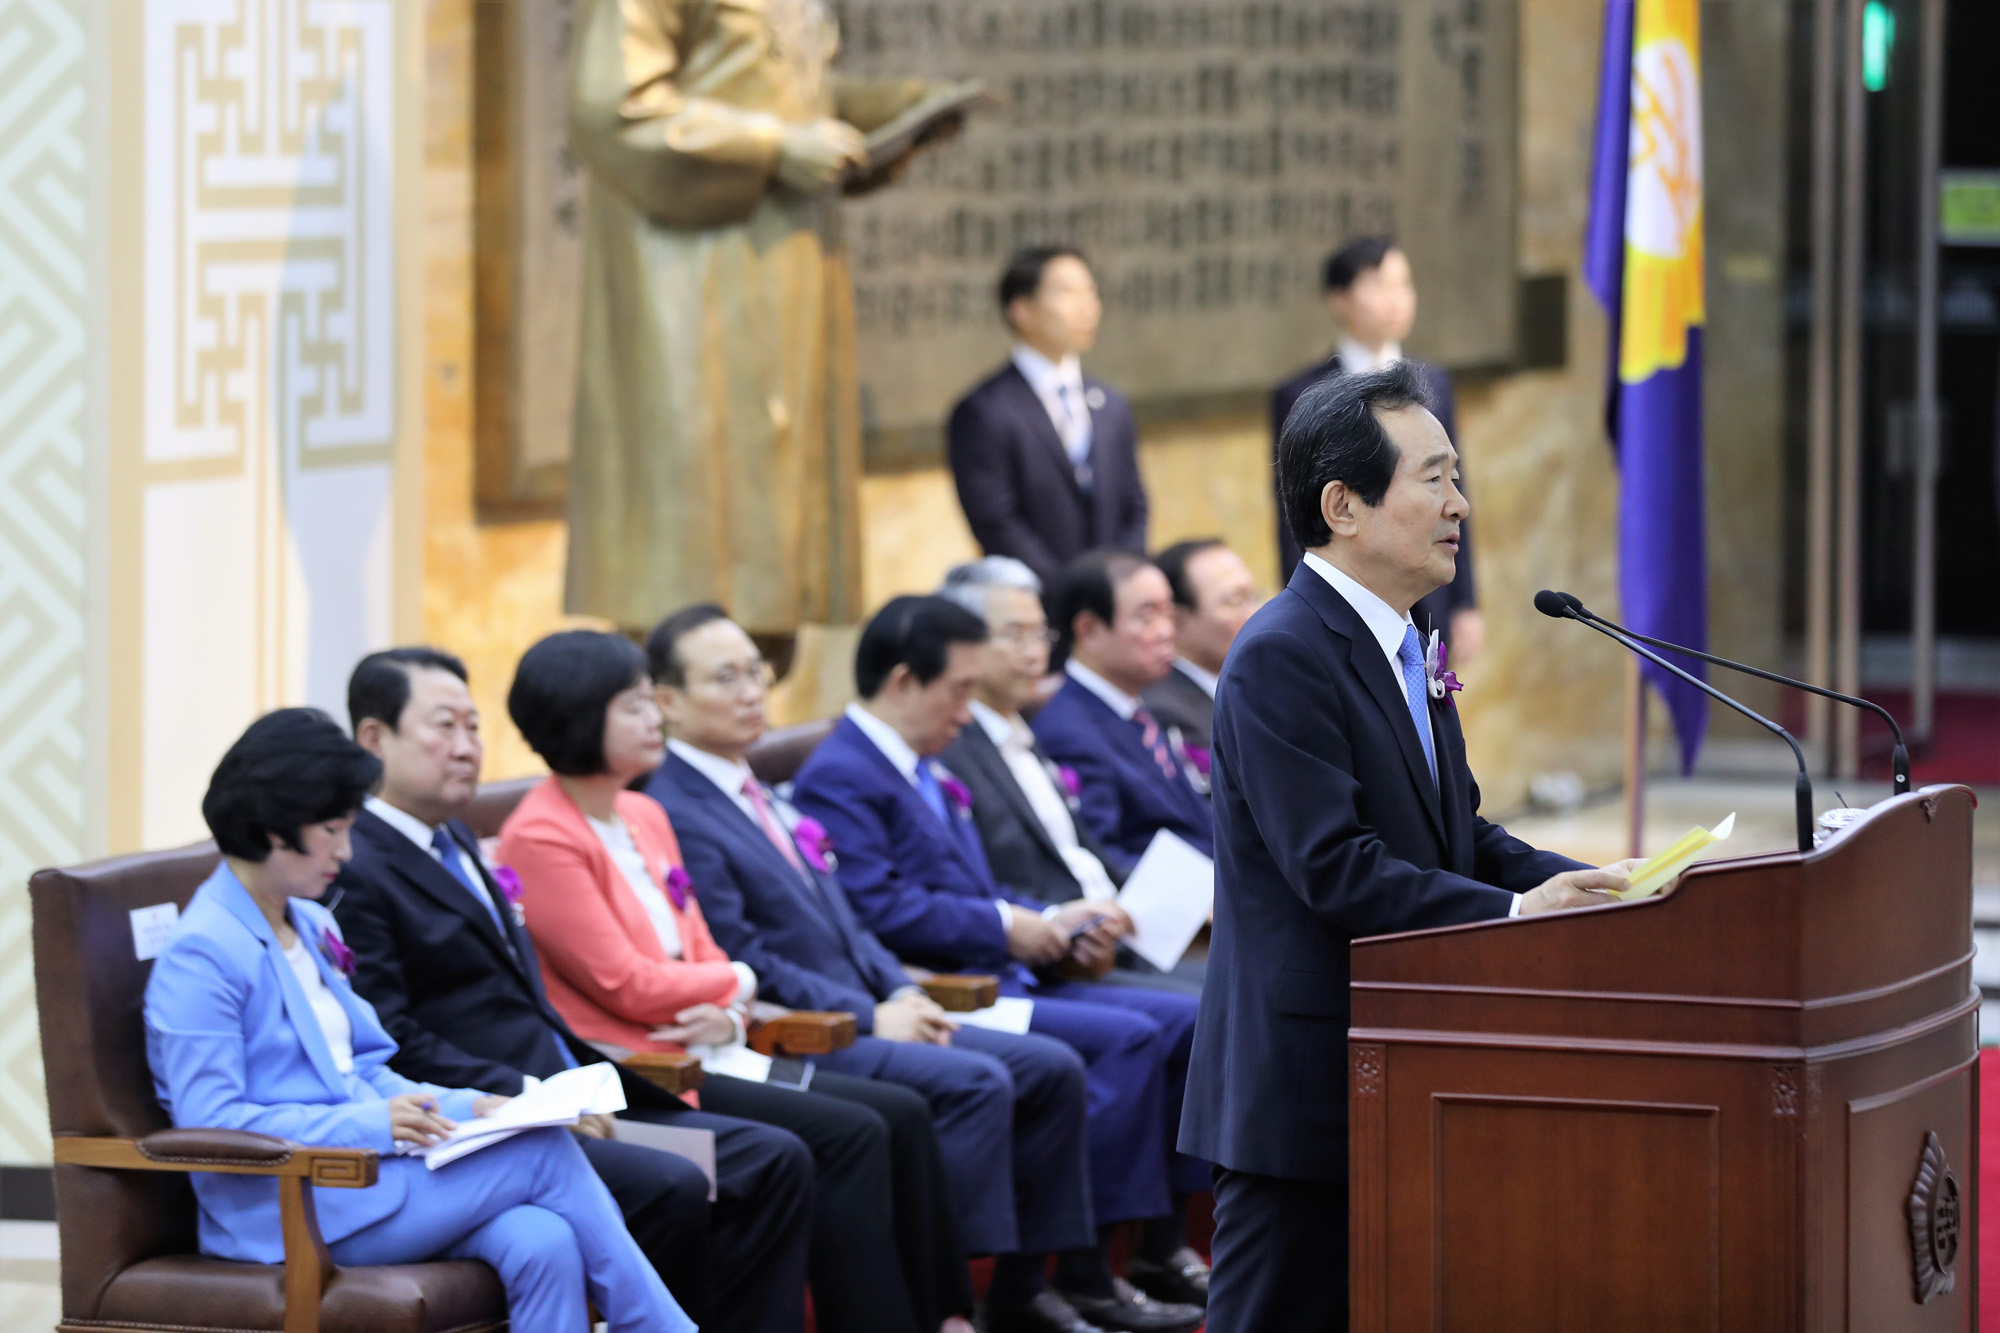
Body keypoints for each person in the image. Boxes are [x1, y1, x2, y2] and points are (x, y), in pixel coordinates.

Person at [1183, 362, 1643, 1332]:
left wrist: (1595, 886)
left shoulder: (1406, 634)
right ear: (1341, 505)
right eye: (1432, 479)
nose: (1459, 505)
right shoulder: (1279, 653)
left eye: (1455, 476)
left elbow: (1455, 832)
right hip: (1301, 1090)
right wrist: (1518, 914)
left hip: (1401, 1063)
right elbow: (1332, 867)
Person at [641, 604, 1115, 1333]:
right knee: (971, 1080)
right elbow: (747, 956)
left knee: (1047, 1068)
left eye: (754, 671)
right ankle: (954, 1301)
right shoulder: (674, 807)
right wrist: (871, 1014)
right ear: (666, 700)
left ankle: (1020, 1286)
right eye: (724, 676)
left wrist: (897, 985)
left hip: (872, 996)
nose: (750, 690)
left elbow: (849, 919)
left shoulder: (755, 785)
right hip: (802, 1025)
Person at [144, 708, 692, 1333]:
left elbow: (367, 1067)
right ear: (273, 829)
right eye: (331, 831)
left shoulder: (312, 922)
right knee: (542, 1153)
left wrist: (471, 1106)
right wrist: (373, 1123)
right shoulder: (204, 954)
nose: (346, 854)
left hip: (364, 1180)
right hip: (286, 1209)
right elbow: (212, 1123)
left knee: (541, 1240)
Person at [497, 630, 973, 1333]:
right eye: (634, 706)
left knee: (892, 1113)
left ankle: (942, 1315)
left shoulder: (644, 812)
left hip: (712, 1039)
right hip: (645, 1065)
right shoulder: (540, 835)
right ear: (578, 716)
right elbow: (624, 982)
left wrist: (725, 1002)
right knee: (842, 1135)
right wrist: (735, 983)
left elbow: (699, 947)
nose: (654, 719)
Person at [331, 647, 815, 1333]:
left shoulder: (456, 839)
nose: (468, 747)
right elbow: (397, 1038)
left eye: (474, 726)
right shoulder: (357, 866)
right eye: (445, 726)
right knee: (674, 1182)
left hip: (571, 1082)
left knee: (775, 1158)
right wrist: (529, 1099)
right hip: (492, 1116)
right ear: (375, 738)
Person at [792, 597, 1211, 1333]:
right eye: (957, 689)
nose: (966, 710)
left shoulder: (917, 761)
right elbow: (879, 907)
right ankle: (1068, 1274)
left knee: (1173, 1018)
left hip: (996, 969)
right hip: (941, 985)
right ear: (902, 680)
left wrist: (1048, 918)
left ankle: (1120, 1257)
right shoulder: (845, 773)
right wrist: (1007, 924)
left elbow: (971, 882)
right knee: (1123, 1039)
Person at [564, 0, 950, 642]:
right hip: (691, 265)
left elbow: (776, 88)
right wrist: (772, 149)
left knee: (771, 566)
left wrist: (888, 113)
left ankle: (743, 696)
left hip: (787, 265)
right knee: (691, 560)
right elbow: (611, 108)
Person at [936, 558, 1202, 996]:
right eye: (1015, 634)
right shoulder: (954, 749)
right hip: (1058, 952)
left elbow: (1085, 850)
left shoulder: (1018, 729)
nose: (1034, 651)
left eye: (1039, 633)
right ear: (963, 645)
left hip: (1114, 930)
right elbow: (987, 879)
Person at [1270, 237, 1483, 662]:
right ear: (1339, 299)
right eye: (1378, 285)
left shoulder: (1434, 383)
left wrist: (1465, 601)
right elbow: (1294, 512)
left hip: (1429, 591)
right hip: (1352, 588)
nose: (1396, 299)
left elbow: (1454, 488)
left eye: (1404, 285)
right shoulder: (1304, 393)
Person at [947, 247, 1148, 587]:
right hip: (1035, 607)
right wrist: (1070, 595)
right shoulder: (984, 411)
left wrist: (1122, 585)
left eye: (1091, 292)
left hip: (1116, 608)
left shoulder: (1110, 403)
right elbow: (997, 522)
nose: (1087, 307)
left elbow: (1135, 506)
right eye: (1067, 293)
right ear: (1021, 311)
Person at [1032, 553, 1213, 861]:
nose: (1165, 631)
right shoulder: (1068, 731)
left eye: (1167, 615)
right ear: (1089, 630)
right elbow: (1104, 852)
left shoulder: (1141, 709)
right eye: (1147, 617)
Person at [1140, 539, 1261, 754]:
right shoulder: (1166, 712)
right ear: (1178, 622)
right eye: (1236, 600)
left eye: (1253, 597)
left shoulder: (1258, 685)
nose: (1255, 614)